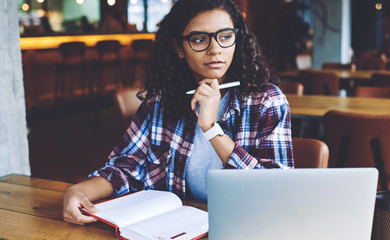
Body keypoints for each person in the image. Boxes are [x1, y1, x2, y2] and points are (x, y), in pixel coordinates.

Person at [63, 0, 294, 225]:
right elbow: (126, 166)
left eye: (225, 37)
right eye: (199, 39)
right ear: (179, 49)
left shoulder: (267, 100)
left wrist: (212, 129)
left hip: (246, 226)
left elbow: (273, 191)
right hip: (178, 228)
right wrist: (77, 191)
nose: (215, 49)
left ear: (237, 40)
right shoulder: (161, 102)